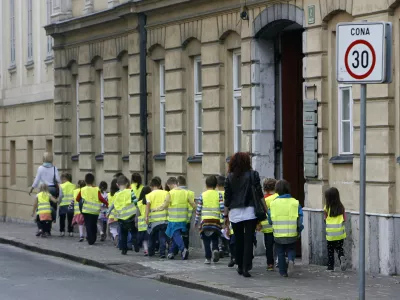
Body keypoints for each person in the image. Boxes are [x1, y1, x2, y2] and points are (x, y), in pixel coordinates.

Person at [224, 152, 264, 277]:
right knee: (248, 240)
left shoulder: (229, 177)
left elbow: (227, 198)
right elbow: (259, 193)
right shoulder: (253, 174)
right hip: (250, 210)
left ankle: (240, 265)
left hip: (235, 212)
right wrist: (266, 210)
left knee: (238, 239)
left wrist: (225, 216)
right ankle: (246, 267)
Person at [154, 177, 195, 260]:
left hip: (173, 219)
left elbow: (165, 205)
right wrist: (197, 211)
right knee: (176, 236)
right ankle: (171, 252)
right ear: (177, 183)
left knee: (176, 235)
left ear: (169, 185)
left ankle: (183, 249)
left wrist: (156, 209)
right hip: (183, 219)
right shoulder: (185, 192)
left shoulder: (170, 193)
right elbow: (193, 204)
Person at [269, 179, 303, 277]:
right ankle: (291, 260)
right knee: (291, 249)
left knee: (280, 251)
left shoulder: (273, 203)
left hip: (278, 234)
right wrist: (299, 229)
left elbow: (270, 219)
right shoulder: (295, 202)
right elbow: (300, 219)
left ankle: (283, 272)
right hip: (292, 232)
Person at [195, 176, 224, 264]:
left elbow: (198, 209)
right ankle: (215, 249)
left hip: (205, 221)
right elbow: (222, 208)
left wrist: (196, 220)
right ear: (216, 185)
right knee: (215, 238)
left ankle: (208, 258)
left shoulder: (202, 195)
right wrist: (223, 218)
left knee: (206, 240)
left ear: (206, 185)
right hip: (215, 221)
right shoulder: (218, 194)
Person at [29, 152, 62, 226]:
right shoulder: (54, 168)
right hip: (52, 189)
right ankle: (50, 223)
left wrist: (32, 188)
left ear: (43, 158)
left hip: (42, 190)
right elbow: (58, 179)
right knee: (51, 209)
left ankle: (40, 225)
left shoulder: (40, 168)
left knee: (41, 207)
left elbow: (37, 180)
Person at [108, 175, 138, 255]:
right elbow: (136, 202)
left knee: (123, 234)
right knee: (133, 232)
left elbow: (113, 204)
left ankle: (124, 249)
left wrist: (109, 211)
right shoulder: (130, 192)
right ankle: (135, 243)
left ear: (117, 185)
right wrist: (138, 213)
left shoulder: (116, 194)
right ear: (127, 183)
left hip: (121, 217)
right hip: (130, 217)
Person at [75, 173, 108, 245]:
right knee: (93, 224)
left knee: (88, 225)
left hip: (86, 210)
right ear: (93, 181)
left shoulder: (83, 189)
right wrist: (106, 203)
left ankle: (91, 239)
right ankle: (94, 237)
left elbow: (77, 199)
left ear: (85, 181)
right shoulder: (96, 189)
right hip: (95, 211)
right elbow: (100, 198)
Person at [145, 177, 169, 258]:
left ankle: (151, 251)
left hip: (154, 221)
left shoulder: (149, 195)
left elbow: (148, 207)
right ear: (159, 185)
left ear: (151, 186)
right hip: (164, 219)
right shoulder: (166, 193)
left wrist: (146, 217)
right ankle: (162, 252)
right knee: (162, 237)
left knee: (151, 236)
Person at [324, 187, 347, 272]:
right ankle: (341, 256)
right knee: (339, 247)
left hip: (330, 234)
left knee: (330, 250)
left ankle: (330, 267)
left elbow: (325, 219)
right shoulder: (341, 207)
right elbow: (344, 219)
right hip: (340, 233)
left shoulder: (326, 208)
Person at [261, 178, 278, 271]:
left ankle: (270, 264)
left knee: (269, 246)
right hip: (278, 226)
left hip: (266, 227)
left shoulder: (264, 199)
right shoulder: (278, 197)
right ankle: (280, 260)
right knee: (279, 245)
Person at [177, 176, 195, 250]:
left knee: (176, 235)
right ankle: (186, 249)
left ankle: (176, 250)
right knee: (186, 235)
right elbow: (192, 206)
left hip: (177, 218)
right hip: (187, 218)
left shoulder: (176, 192)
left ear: (177, 183)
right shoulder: (191, 193)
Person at [136, 186, 152, 256]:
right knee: (150, 238)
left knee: (144, 239)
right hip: (149, 222)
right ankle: (150, 249)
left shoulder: (139, 203)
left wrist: (136, 222)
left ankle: (146, 250)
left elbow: (137, 214)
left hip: (141, 224)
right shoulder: (151, 201)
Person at [216, 175, 229, 258]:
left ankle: (220, 248)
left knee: (219, 234)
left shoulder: (216, 194)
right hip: (226, 217)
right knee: (226, 233)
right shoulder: (227, 194)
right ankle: (227, 250)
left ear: (217, 185)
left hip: (218, 218)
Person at [107, 178, 119, 247]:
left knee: (112, 228)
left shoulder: (109, 194)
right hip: (118, 215)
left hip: (111, 215)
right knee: (118, 227)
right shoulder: (119, 194)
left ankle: (115, 236)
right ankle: (118, 238)